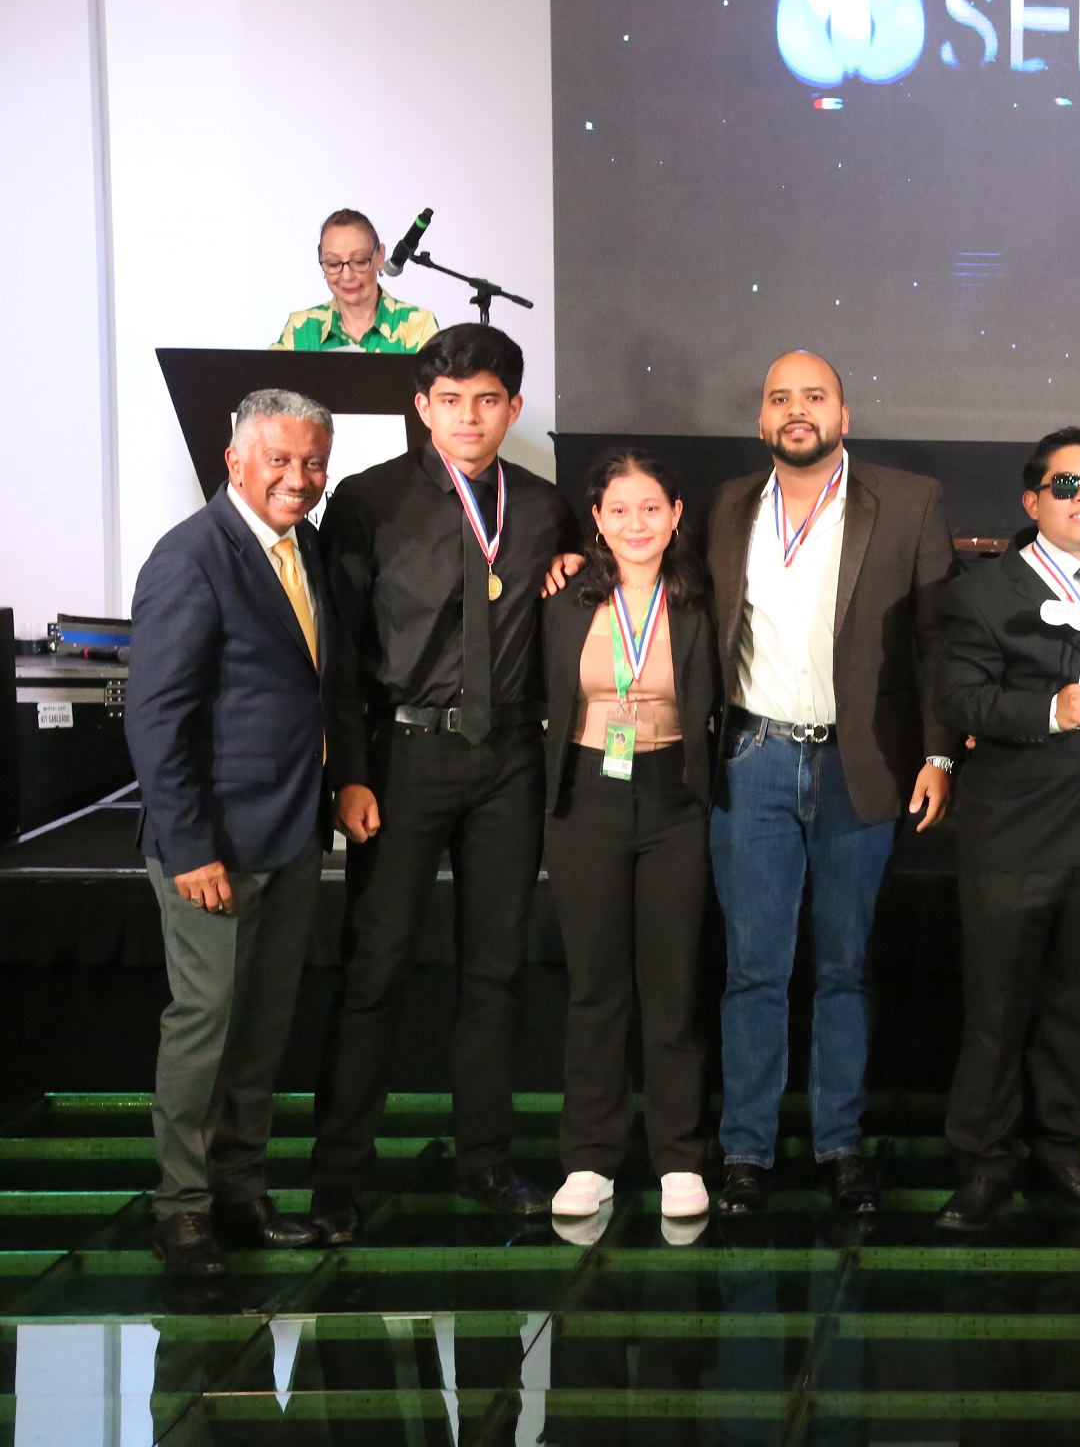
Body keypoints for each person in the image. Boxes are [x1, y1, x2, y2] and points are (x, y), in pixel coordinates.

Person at [308, 323, 583, 1241]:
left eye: (488, 400)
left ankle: (487, 1160)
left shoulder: (543, 507)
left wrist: (577, 567)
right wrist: (349, 773)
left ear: (512, 407)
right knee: (375, 965)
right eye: (452, 401)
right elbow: (340, 653)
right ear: (423, 408)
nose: (471, 417)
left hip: (509, 760)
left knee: (496, 970)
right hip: (402, 758)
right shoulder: (367, 500)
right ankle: (340, 1174)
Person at [705, 350, 959, 1216]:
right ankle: (746, 1153)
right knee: (754, 971)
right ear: (761, 420)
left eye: (813, 396)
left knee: (846, 968)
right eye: (780, 397)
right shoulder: (729, 505)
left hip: (863, 765)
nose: (796, 409)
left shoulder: (909, 501)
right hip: (754, 762)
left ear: (843, 416)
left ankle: (840, 1148)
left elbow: (937, 639)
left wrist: (939, 754)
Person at [125, 389, 337, 1274]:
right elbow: (157, 718)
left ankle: (242, 1195)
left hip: (292, 833)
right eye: (279, 460)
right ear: (235, 462)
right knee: (205, 1026)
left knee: (260, 1029)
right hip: (213, 846)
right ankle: (182, 1210)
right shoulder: (191, 556)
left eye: (313, 461)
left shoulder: (307, 548)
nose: (299, 477)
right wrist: (190, 847)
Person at [932, 427, 1080, 1232]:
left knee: (1070, 1013)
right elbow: (958, 697)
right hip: (1012, 838)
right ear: (1032, 501)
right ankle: (984, 1165)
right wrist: (1046, 710)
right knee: (997, 1014)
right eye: (1065, 486)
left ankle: (1060, 1152)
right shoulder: (983, 592)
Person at [540, 451, 719, 1223]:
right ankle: (590, 1157)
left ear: (676, 515)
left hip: (677, 795)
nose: (635, 524)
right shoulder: (565, 596)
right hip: (586, 795)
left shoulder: (705, 598)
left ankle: (679, 1156)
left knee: (673, 987)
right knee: (596, 987)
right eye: (619, 510)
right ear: (597, 519)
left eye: (651, 508)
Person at [271, 208, 439, 353]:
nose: (347, 276)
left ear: (380, 257)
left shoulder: (418, 325)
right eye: (333, 263)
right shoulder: (301, 329)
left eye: (359, 262)